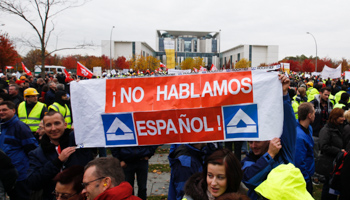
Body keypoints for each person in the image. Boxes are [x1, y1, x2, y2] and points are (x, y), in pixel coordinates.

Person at [241, 74, 297, 200]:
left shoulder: (284, 155)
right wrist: (269, 156)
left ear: (268, 138)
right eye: (250, 142)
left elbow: (289, 125)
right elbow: (248, 179)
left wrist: (283, 94)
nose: (253, 146)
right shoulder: (248, 161)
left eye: (257, 141)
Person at [27, 111, 93, 200]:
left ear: (65, 124)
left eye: (57, 123)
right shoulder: (37, 154)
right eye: (48, 125)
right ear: (44, 128)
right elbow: (33, 182)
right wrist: (57, 162)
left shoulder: (78, 141)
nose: (53, 128)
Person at [0, 101, 38, 200]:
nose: (1, 112)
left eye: (4, 110)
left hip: (20, 173)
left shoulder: (20, 127)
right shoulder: (2, 127)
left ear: (13, 111)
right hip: (6, 174)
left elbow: (32, 149)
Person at [319, 108, 345, 200]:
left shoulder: (339, 128)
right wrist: (339, 151)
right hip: (329, 163)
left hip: (335, 163)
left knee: (332, 187)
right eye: (341, 117)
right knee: (328, 188)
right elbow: (324, 146)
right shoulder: (326, 130)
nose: (343, 118)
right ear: (335, 117)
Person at [294, 102, 315, 195]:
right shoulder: (299, 136)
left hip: (308, 173)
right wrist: (306, 179)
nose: (315, 115)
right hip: (303, 178)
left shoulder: (308, 128)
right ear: (309, 115)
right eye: (314, 112)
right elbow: (299, 161)